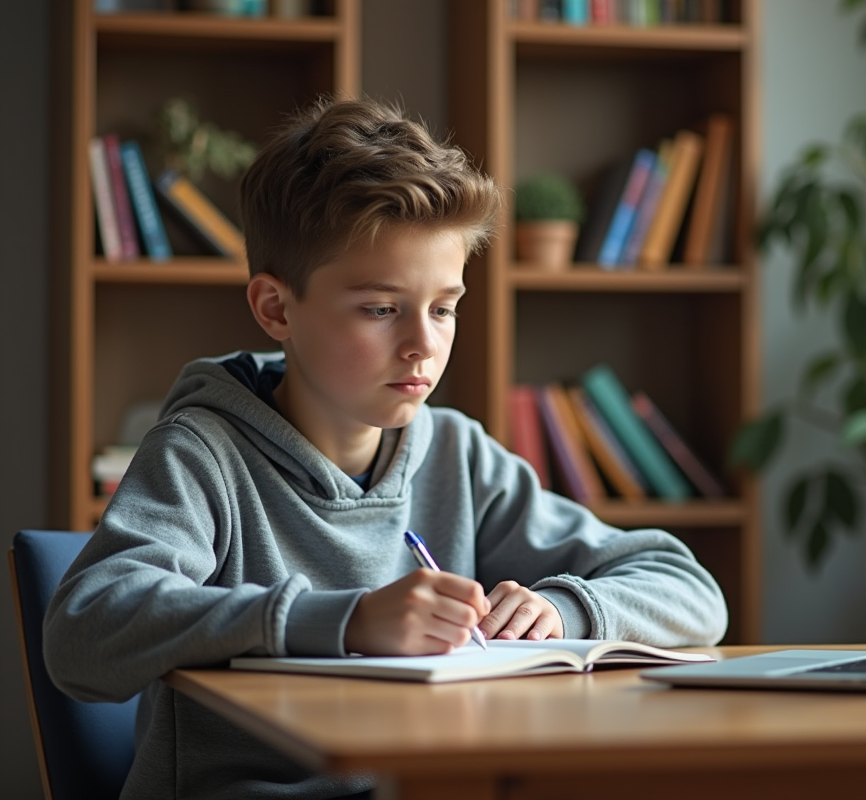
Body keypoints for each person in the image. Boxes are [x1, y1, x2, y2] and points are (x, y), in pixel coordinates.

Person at [43, 97, 727, 800]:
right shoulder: (201, 455)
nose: (423, 345)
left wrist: (563, 610)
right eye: (380, 309)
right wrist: (345, 621)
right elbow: (83, 634)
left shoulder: (458, 454)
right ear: (276, 308)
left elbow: (690, 589)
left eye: (444, 308)